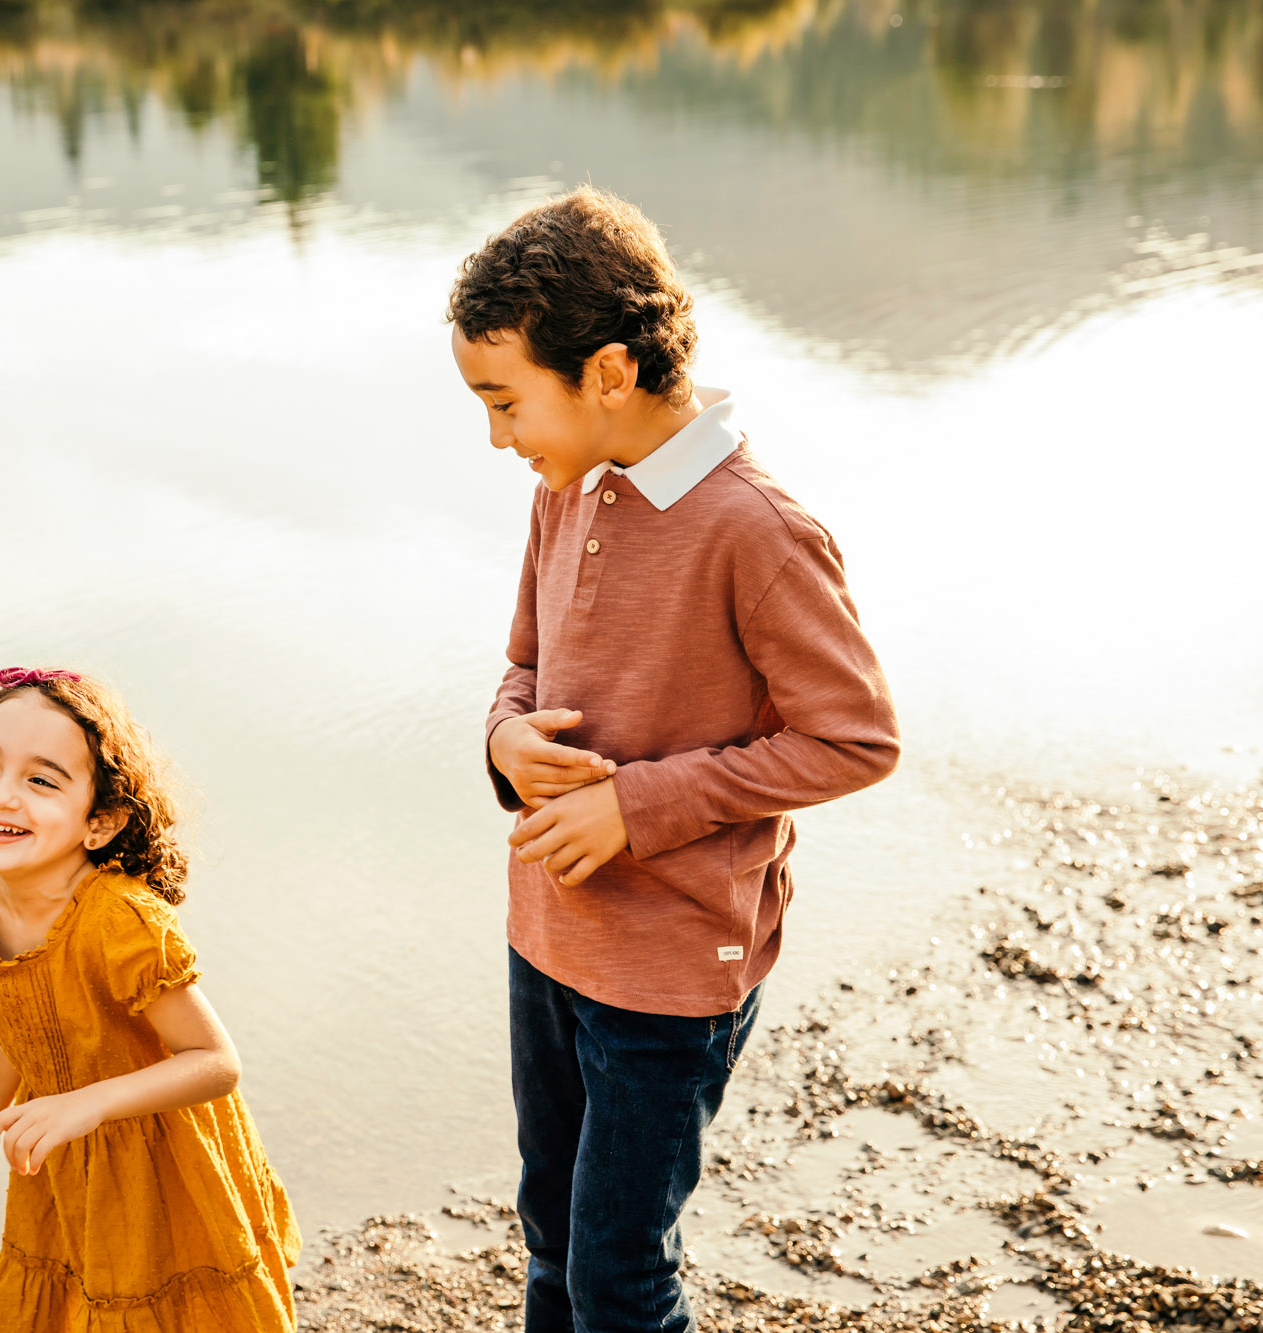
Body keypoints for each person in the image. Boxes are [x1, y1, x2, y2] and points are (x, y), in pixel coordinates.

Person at [449, 188, 901, 1332]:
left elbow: (853, 736)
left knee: (619, 1273)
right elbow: (520, 666)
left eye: (504, 401)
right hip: (546, 931)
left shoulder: (757, 530)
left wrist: (638, 808)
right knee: (548, 1231)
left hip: (674, 965)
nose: (497, 436)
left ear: (606, 373)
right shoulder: (567, 491)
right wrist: (505, 738)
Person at [0, 667, 299, 1332]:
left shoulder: (118, 922)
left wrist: (86, 1103)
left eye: (41, 780)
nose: (2, 796)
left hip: (161, 1156)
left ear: (100, 822)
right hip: (63, 1152)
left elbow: (215, 1062)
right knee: (76, 1298)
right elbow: (22, 1027)